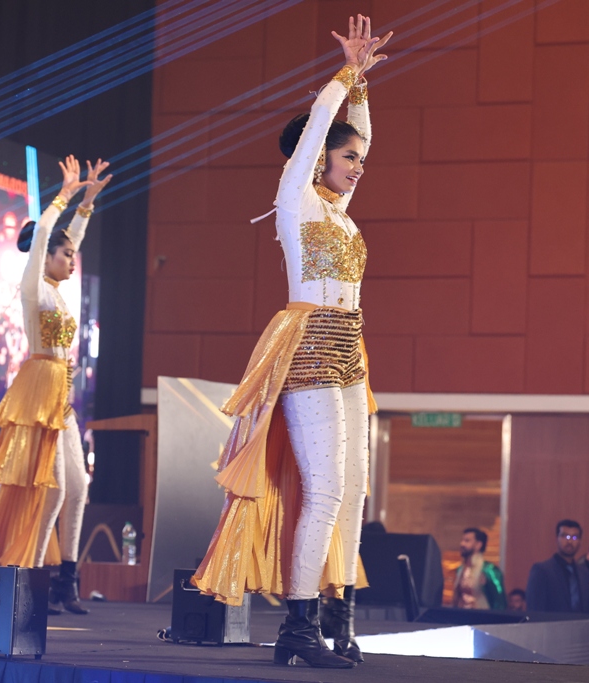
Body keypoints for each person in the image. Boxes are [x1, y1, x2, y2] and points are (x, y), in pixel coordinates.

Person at [191, 15, 391, 669]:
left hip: (351, 351)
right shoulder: (296, 201)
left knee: (353, 490)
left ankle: (339, 619)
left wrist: (362, 86)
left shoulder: (338, 213)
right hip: (307, 346)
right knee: (325, 487)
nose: (358, 166)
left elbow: (357, 132)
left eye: (360, 159)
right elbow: (319, 131)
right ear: (319, 156)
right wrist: (344, 76)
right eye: (349, 157)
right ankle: (298, 629)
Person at [0, 156, 111, 618]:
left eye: (73, 255)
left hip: (61, 399)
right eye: (66, 254)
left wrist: (87, 204)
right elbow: (48, 235)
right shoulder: (34, 288)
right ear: (45, 255)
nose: (73, 259)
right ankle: (32, 581)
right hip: (39, 392)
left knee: (78, 486)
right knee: (51, 489)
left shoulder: (56, 290)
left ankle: (65, 582)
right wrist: (65, 196)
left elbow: (72, 238)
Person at [526, 519, 589, 613]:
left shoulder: (584, 573)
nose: (569, 541)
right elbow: (534, 609)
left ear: (580, 541)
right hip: (552, 622)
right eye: (565, 536)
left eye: (574, 537)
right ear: (556, 538)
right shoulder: (542, 570)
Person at [453, 528, 506, 610]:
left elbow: (499, 602)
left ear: (478, 545)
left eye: (467, 541)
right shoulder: (460, 570)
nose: (462, 544)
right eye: (462, 540)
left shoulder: (489, 570)